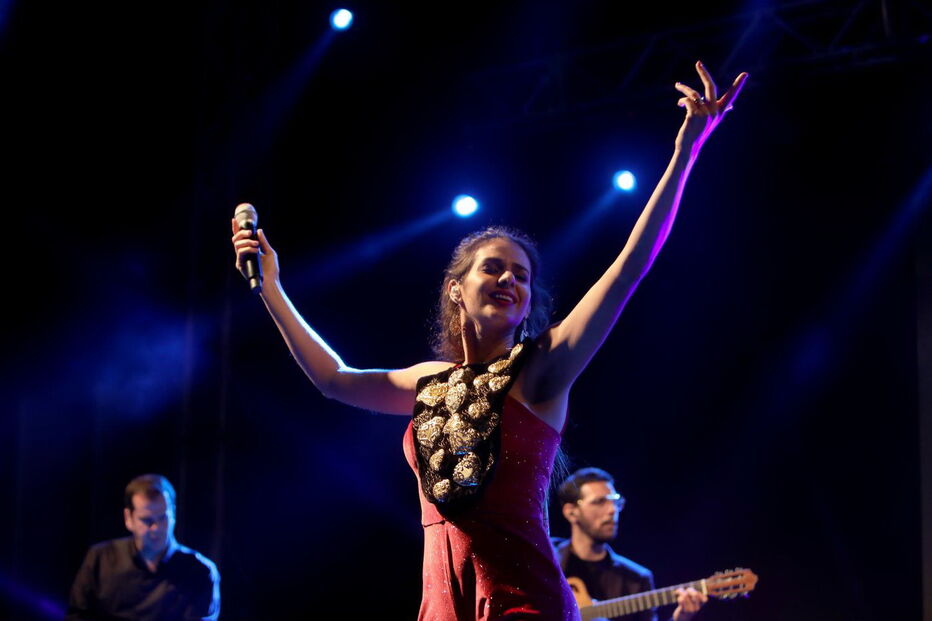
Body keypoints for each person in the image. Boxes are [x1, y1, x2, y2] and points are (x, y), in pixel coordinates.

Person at [231, 62, 747, 621]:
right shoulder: (429, 381)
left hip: (524, 605)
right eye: (493, 268)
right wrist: (273, 291)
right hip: (442, 605)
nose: (509, 279)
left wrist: (687, 148)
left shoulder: (542, 369)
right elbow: (334, 379)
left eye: (521, 275)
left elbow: (628, 268)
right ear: (457, 290)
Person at [554, 468, 706, 621]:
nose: (612, 510)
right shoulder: (547, 558)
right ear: (571, 512)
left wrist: (681, 618)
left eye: (615, 501)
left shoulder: (636, 579)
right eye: (600, 502)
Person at [66, 474, 221, 621]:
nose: (156, 528)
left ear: (173, 514)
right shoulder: (100, 559)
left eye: (162, 518)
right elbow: (77, 616)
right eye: (147, 520)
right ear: (128, 518)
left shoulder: (200, 571)